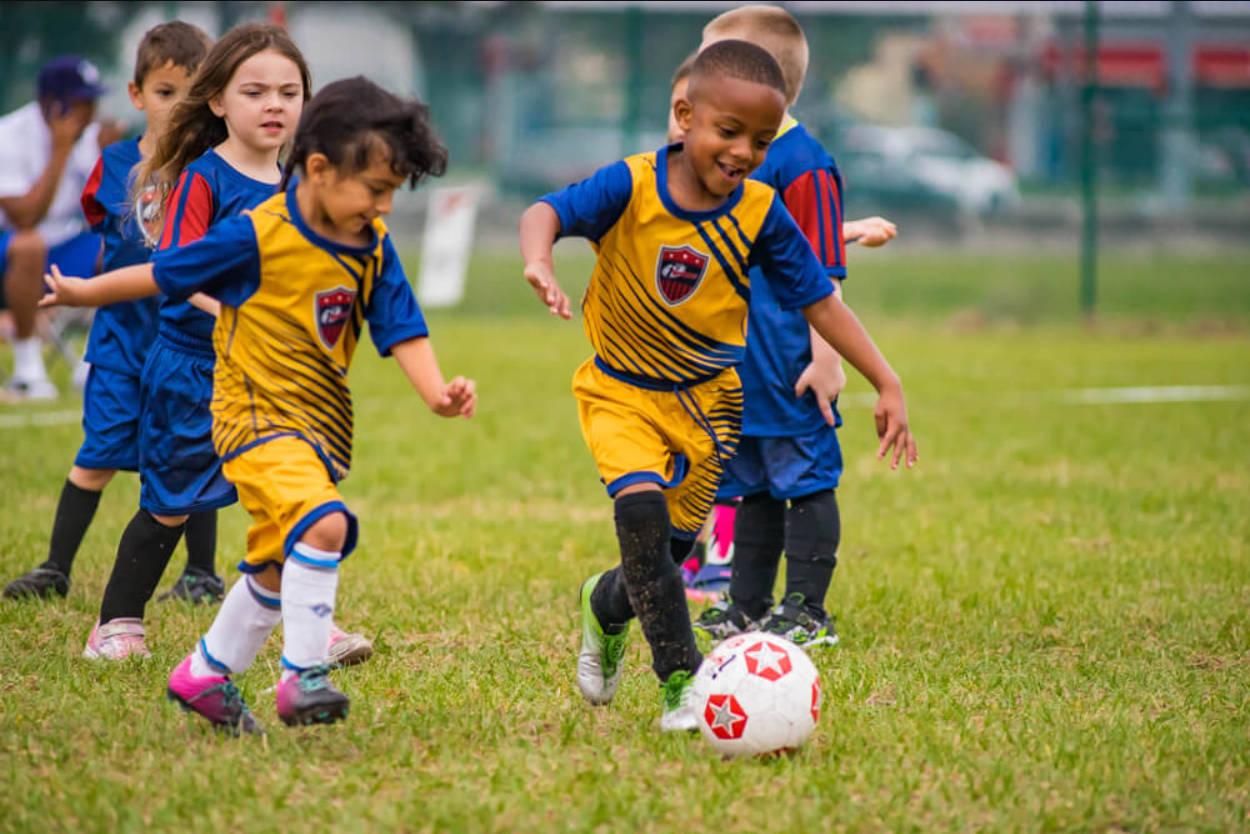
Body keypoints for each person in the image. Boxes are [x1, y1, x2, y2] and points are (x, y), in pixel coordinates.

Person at [42, 76, 475, 732]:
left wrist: (437, 393)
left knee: (274, 570)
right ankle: (304, 677)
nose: (383, 207)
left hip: (318, 428)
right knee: (323, 526)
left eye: (392, 193)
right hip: (251, 419)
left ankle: (206, 675)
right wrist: (85, 292)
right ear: (321, 169)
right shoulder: (258, 233)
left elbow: (401, 326)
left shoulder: (373, 247)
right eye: (376, 191)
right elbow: (166, 272)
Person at [518, 40, 916, 731]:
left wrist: (886, 378)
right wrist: (539, 261)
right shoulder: (631, 185)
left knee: (661, 563)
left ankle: (603, 606)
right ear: (684, 115)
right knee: (640, 515)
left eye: (760, 141)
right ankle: (682, 684)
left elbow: (821, 300)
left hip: (709, 405)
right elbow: (544, 212)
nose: (742, 152)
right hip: (620, 391)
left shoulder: (760, 211)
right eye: (728, 133)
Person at [52, 22, 311, 661]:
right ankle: (116, 623)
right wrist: (228, 310)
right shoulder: (202, 179)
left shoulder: (301, 184)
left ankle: (311, 633)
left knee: (295, 497)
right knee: (171, 504)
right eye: (256, 91)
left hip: (270, 371)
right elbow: (175, 267)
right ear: (218, 100)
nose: (275, 104)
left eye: (289, 91)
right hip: (192, 367)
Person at [692, 5, 903, 648]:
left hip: (791, 363)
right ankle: (747, 605)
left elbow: (819, 279)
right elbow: (756, 243)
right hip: (739, 362)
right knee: (751, 483)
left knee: (804, 479)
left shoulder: (804, 164)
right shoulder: (731, 158)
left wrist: (827, 360)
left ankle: (809, 610)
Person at [1, 23, 216, 605]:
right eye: (166, 91)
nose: (178, 106)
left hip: (187, 344)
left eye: (192, 94)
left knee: (184, 458)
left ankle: (202, 574)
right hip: (120, 342)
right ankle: (55, 568)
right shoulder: (114, 162)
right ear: (138, 93)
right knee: (96, 455)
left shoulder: (212, 168)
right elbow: (106, 234)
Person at [0, 56, 106, 400]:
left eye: (92, 103)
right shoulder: (9, 135)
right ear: (50, 104)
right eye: (80, 104)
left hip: (65, 243)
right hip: (11, 247)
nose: (89, 113)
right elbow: (25, 218)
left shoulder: (88, 137)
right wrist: (60, 152)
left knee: (122, 244)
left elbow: (102, 211)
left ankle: (95, 360)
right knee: (30, 244)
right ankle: (28, 370)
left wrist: (110, 162)